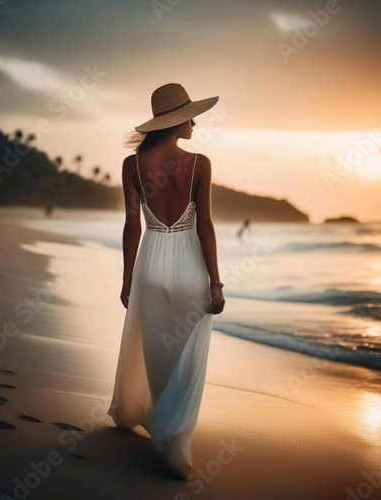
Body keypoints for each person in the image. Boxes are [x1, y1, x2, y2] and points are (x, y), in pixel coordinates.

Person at [107, 83, 225, 479]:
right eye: (189, 116)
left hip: (152, 264)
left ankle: (161, 424)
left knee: (157, 351)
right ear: (175, 122)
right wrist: (216, 282)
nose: (194, 122)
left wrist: (127, 280)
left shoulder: (132, 166)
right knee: (186, 356)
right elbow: (205, 226)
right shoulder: (200, 164)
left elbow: (130, 227)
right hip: (191, 268)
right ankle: (175, 439)